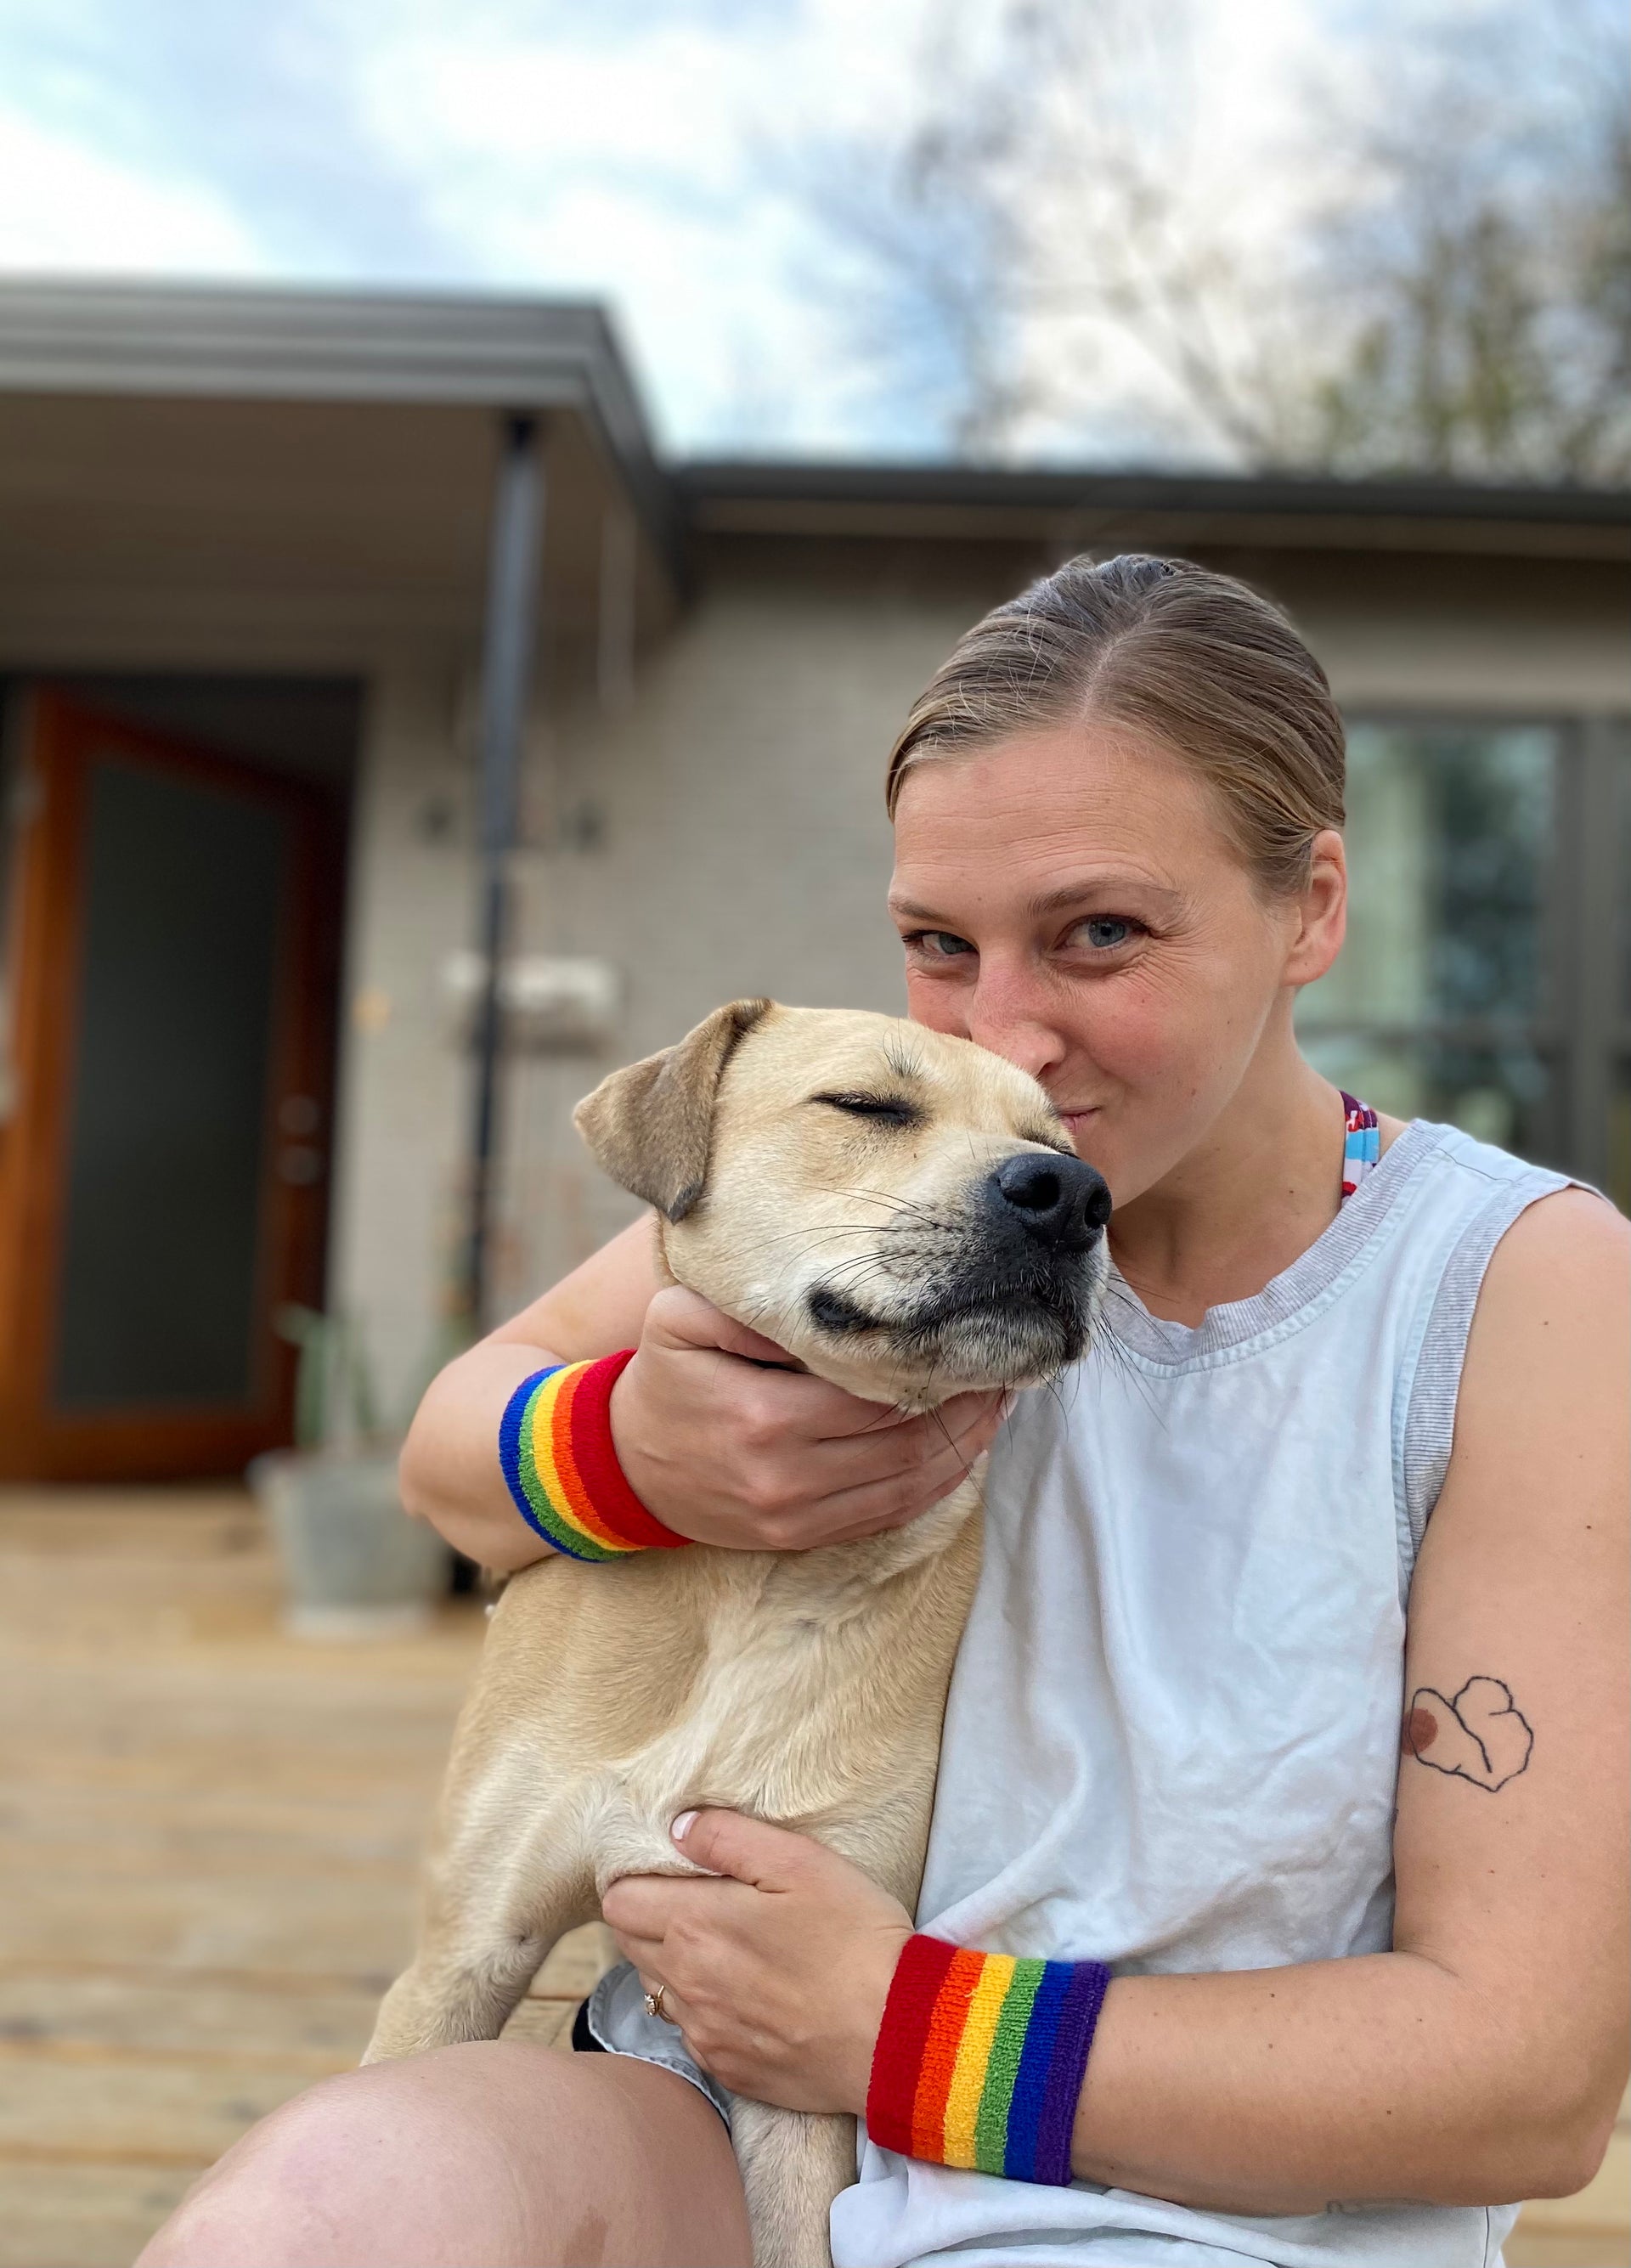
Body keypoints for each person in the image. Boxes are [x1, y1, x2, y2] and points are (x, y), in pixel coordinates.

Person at [141, 556, 1628, 2268]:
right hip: (714, 2113)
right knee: (316, 2210)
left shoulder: (1511, 1284)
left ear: (1312, 908)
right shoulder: (880, 1198)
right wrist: (627, 1452)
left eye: (1100, 935)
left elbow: (1526, 2084)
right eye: (938, 944)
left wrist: (896, 2031)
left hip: (1215, 2212)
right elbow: (445, 1458)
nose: (1008, 1034)